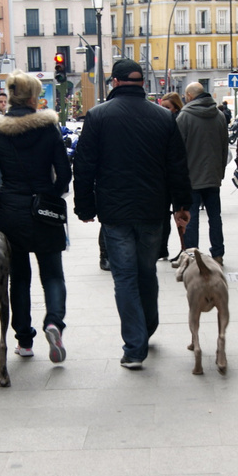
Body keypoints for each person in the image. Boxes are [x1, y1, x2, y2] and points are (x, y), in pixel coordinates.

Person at [73, 59, 192, 369]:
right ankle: (146, 328)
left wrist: (85, 206)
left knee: (124, 278)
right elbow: (177, 165)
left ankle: (134, 347)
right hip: (153, 209)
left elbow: (84, 165)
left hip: (115, 212)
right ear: (142, 84)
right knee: (146, 271)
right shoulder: (164, 117)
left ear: (114, 82)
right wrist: (182, 206)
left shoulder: (98, 116)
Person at [0, 70, 72, 363]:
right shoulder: (48, 129)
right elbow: (65, 171)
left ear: (9, 97)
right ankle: (54, 323)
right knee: (53, 274)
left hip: (10, 212)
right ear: (34, 98)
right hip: (45, 208)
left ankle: (24, 340)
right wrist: (53, 194)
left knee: (19, 279)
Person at [176, 82, 229, 264]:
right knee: (215, 217)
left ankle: (192, 256)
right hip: (213, 177)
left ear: (190, 96)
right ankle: (218, 253)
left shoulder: (184, 117)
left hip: (191, 178)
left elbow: (177, 151)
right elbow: (224, 147)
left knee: (191, 218)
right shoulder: (220, 116)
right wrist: (220, 172)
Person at [159, 92, 184, 261]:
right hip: (164, 177)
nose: (164, 110)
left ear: (176, 107)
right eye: (162, 107)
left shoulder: (180, 122)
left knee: (180, 213)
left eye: (167, 107)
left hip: (177, 175)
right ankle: (162, 248)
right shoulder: (162, 121)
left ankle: (185, 246)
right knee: (164, 215)